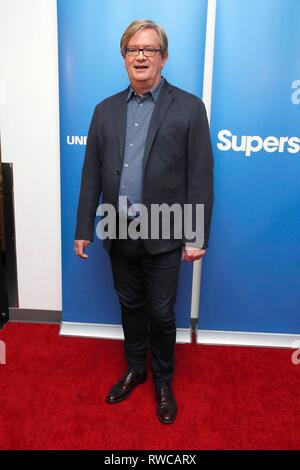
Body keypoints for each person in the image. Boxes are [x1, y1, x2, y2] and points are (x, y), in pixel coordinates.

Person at [74, 19, 214, 424]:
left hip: (166, 232)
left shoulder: (189, 108)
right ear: (124, 58)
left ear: (163, 58)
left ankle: (163, 380)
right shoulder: (104, 111)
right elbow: (91, 174)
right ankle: (136, 368)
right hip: (120, 231)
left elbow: (200, 176)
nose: (140, 56)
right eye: (133, 49)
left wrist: (196, 235)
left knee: (162, 312)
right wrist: (84, 228)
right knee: (131, 306)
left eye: (149, 50)